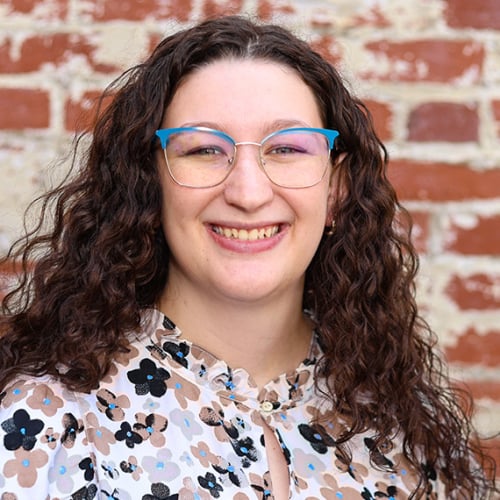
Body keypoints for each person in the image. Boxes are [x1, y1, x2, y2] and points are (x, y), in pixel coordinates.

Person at [0, 15, 497, 500]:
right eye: (204, 150)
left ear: (337, 191)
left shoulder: (408, 436)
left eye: (287, 149)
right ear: (147, 185)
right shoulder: (44, 423)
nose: (249, 192)